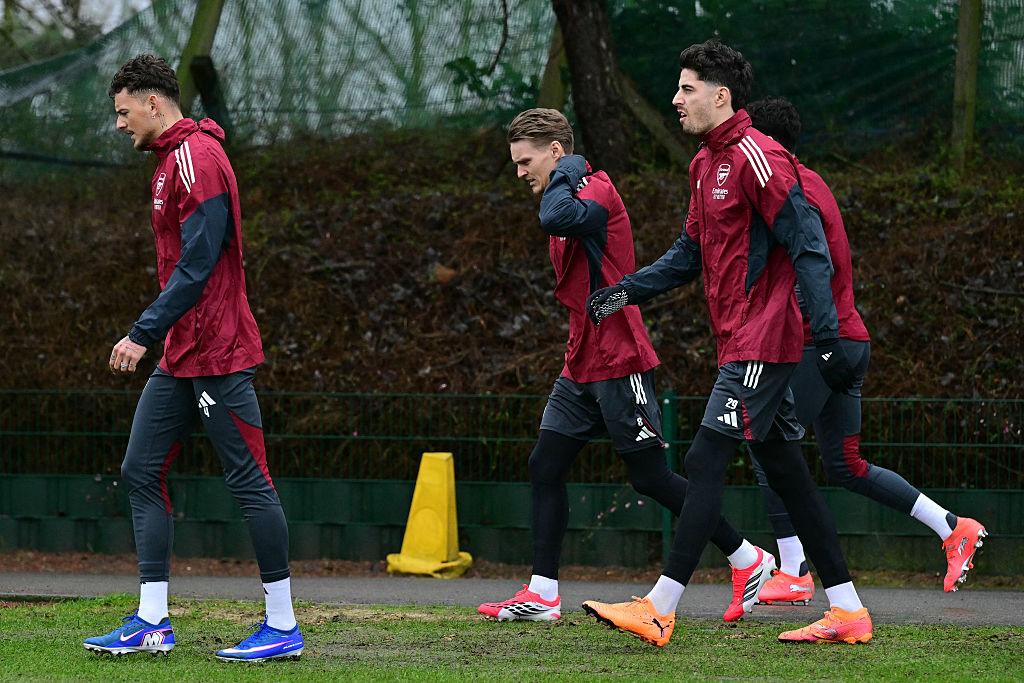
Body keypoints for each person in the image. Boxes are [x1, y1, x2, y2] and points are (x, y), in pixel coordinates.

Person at [584, 40, 872, 646]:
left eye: (686, 88)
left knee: (703, 458)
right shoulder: (701, 166)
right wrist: (625, 290)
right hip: (740, 337)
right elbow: (690, 253)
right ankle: (847, 610)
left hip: (763, 339)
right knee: (785, 468)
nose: (675, 98)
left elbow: (808, 245)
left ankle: (661, 607)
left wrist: (826, 338)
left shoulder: (757, 156)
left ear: (721, 95)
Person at [477, 108, 775, 628]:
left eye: (526, 161)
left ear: (555, 152)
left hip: (620, 357)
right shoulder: (566, 189)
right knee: (544, 464)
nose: (520, 172)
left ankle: (749, 559)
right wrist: (561, 174)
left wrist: (569, 169)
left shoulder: (595, 190)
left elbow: (558, 218)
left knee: (651, 478)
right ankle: (543, 593)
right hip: (580, 359)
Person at [84, 54, 303, 662]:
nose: (120, 125)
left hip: (218, 352)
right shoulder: (166, 164)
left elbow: (200, 264)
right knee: (139, 470)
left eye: (125, 112)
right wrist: (163, 336)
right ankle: (153, 620)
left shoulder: (196, 160)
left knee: (249, 481)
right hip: (184, 353)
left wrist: (141, 332)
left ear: (154, 103)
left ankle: (282, 626)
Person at [742, 96, 987, 605]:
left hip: (819, 341)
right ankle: (951, 527)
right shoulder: (814, 181)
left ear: (762, 145)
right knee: (846, 465)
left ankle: (792, 571)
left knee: (766, 444)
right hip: (851, 340)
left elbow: (811, 267)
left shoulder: (787, 189)